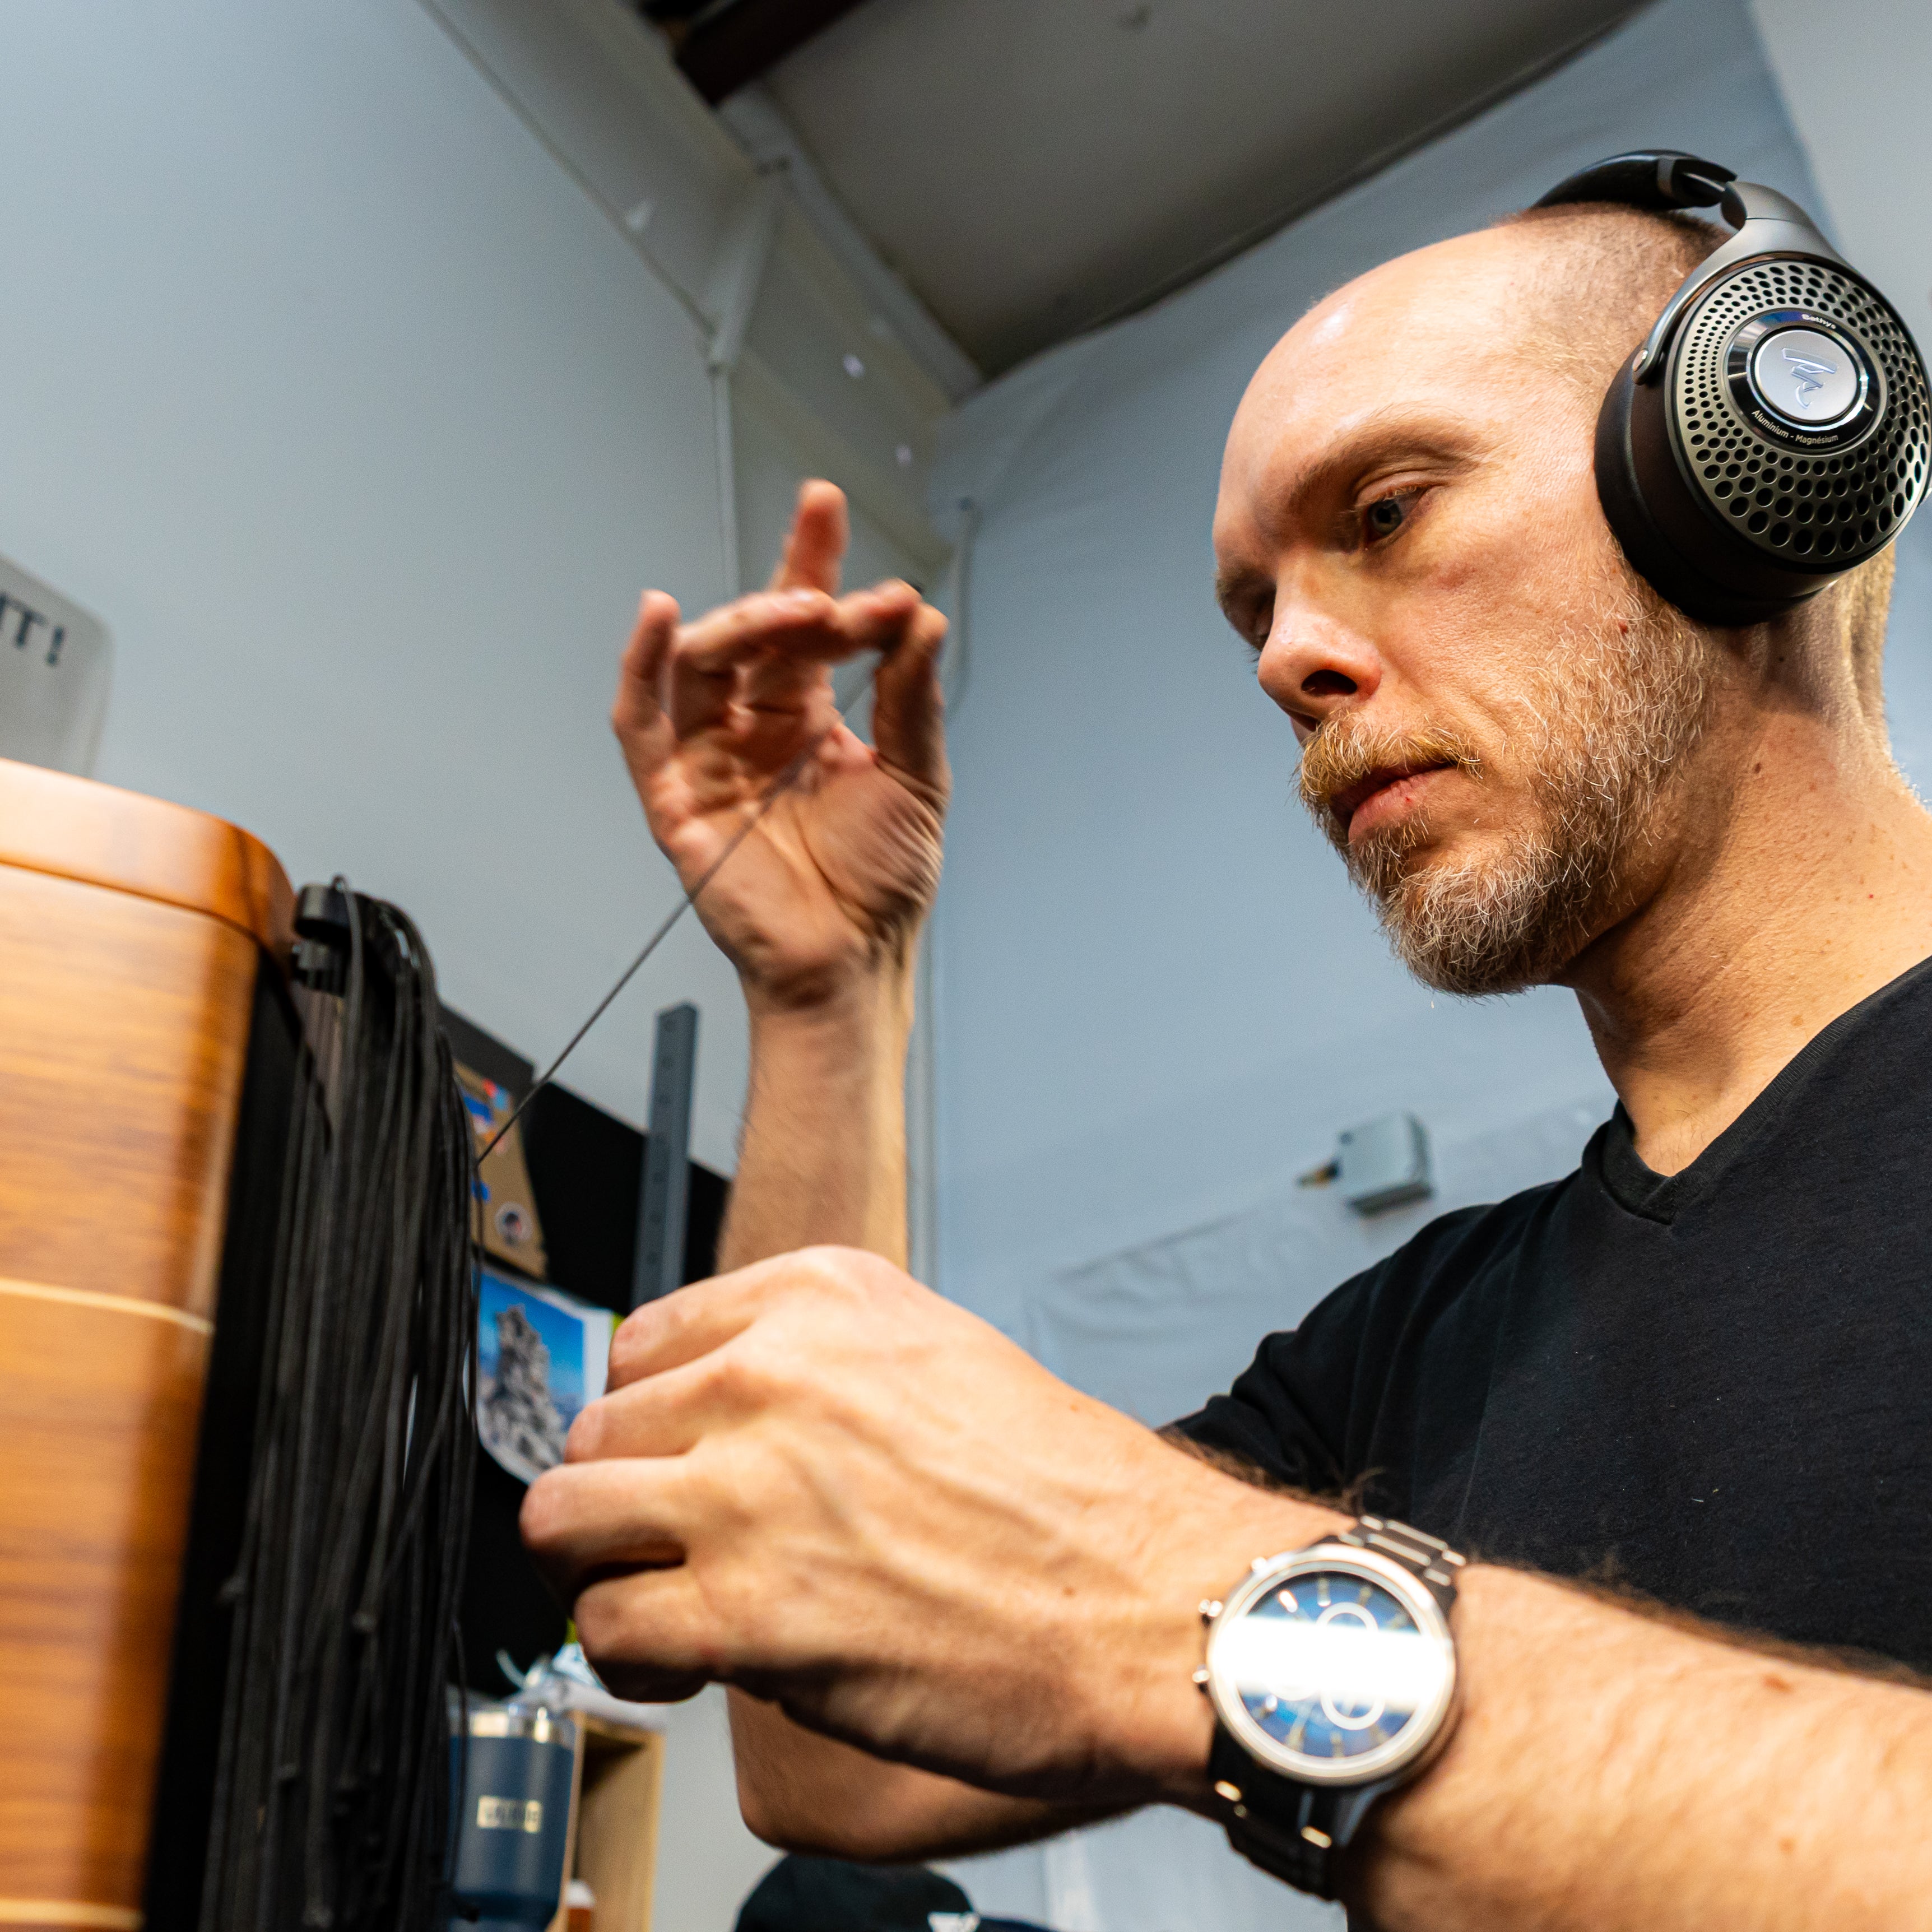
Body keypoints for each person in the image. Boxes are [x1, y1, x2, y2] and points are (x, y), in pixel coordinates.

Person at [522, 182, 1932, 1929]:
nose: (1286, 661)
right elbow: (834, 1772)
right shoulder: (1424, 1343)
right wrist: (830, 994)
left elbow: (1153, 1593)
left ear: (1737, 473)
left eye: (1389, 511)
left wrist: (1179, 1595)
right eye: (1251, 609)